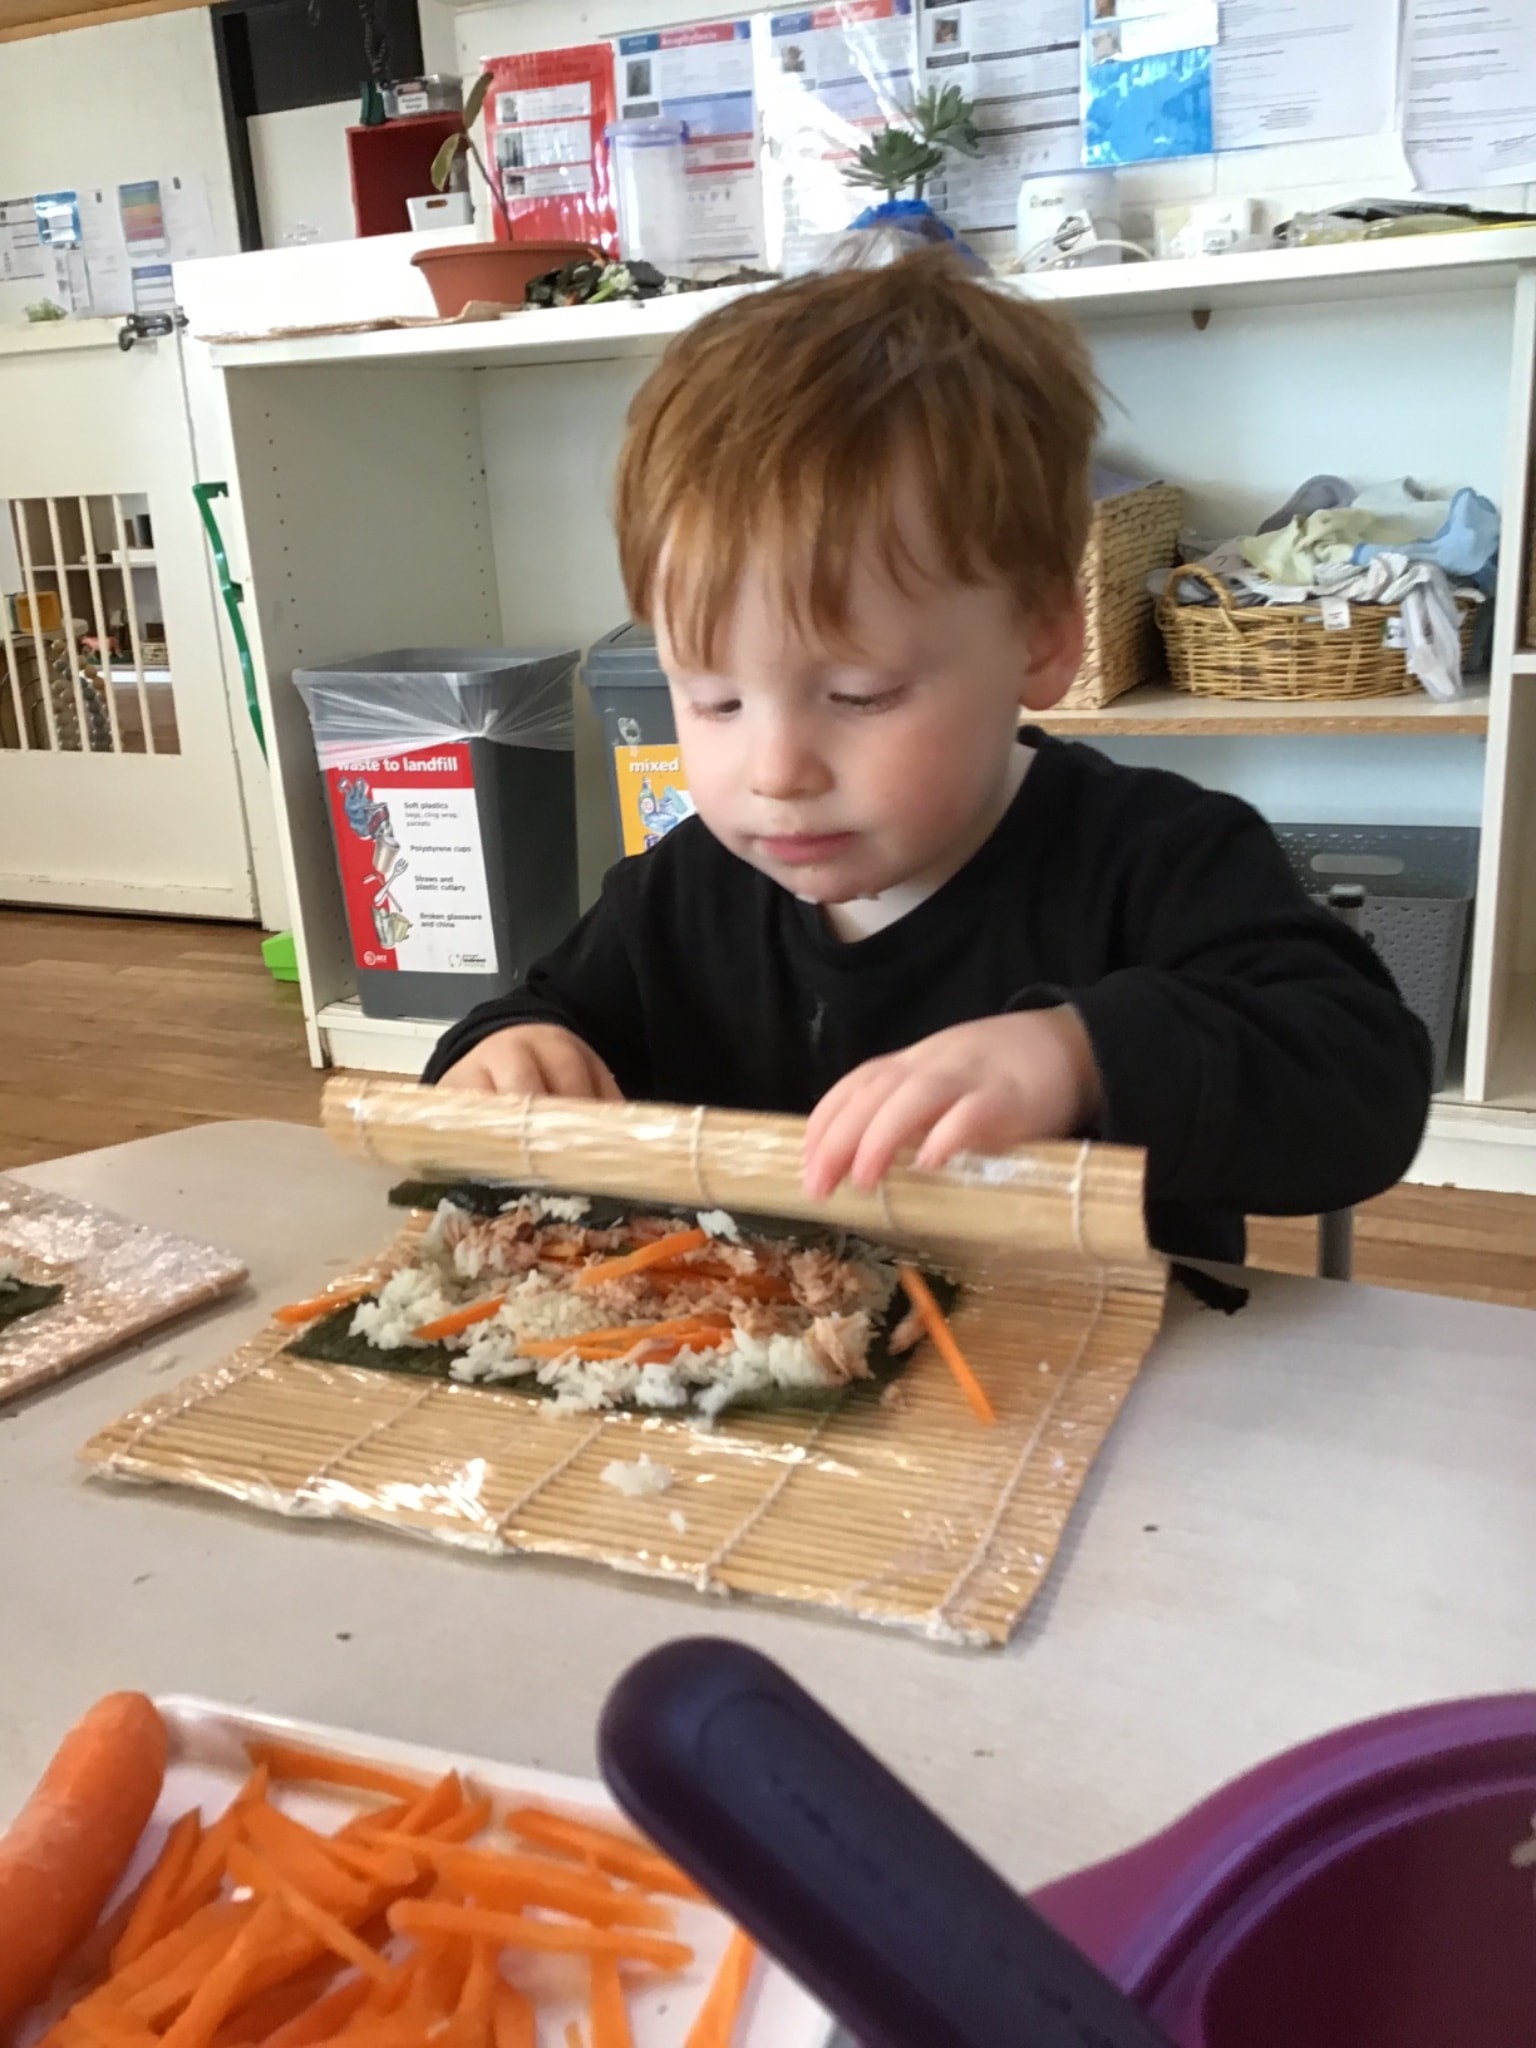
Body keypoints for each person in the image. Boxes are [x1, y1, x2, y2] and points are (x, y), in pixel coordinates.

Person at [425, 250, 1431, 1261]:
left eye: (861, 694)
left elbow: (1366, 1084)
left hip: (1117, 1381)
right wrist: (505, 1054)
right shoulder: (684, 896)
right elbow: (534, 1019)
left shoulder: (1160, 856)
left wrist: (1079, 1053)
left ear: (1041, 637)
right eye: (715, 697)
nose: (777, 771)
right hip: (780, 1385)